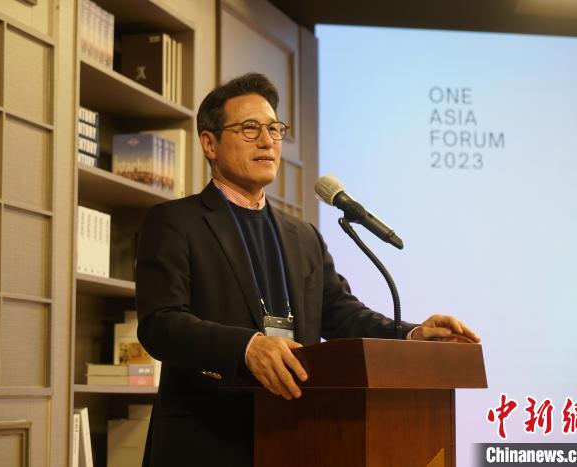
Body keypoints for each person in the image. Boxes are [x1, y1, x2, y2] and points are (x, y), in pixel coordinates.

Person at [136, 72, 480, 467]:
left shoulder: (302, 235)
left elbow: (342, 315)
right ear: (209, 143)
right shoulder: (175, 222)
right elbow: (160, 323)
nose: (267, 141)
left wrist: (413, 335)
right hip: (206, 439)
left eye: (274, 129)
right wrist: (246, 347)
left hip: (294, 434)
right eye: (249, 129)